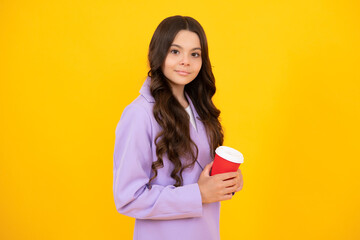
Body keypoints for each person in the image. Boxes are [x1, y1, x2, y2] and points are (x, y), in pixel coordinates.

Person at [113, 15, 244, 240]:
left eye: (195, 54)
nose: (186, 61)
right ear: (158, 54)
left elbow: (199, 175)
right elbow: (128, 198)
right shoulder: (139, 114)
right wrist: (199, 194)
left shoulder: (199, 110)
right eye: (175, 51)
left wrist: (228, 182)